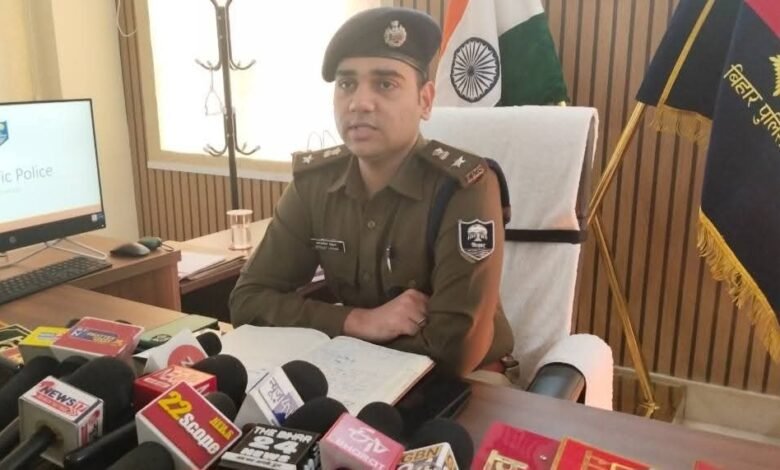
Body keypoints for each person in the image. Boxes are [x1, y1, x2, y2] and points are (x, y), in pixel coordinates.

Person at [230, 7, 514, 379]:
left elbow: (454, 350)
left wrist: (339, 336)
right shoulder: (314, 183)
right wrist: (358, 320)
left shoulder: (465, 187)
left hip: (463, 383)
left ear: (425, 101)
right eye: (347, 84)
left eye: (385, 84)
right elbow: (247, 301)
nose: (359, 103)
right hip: (349, 372)